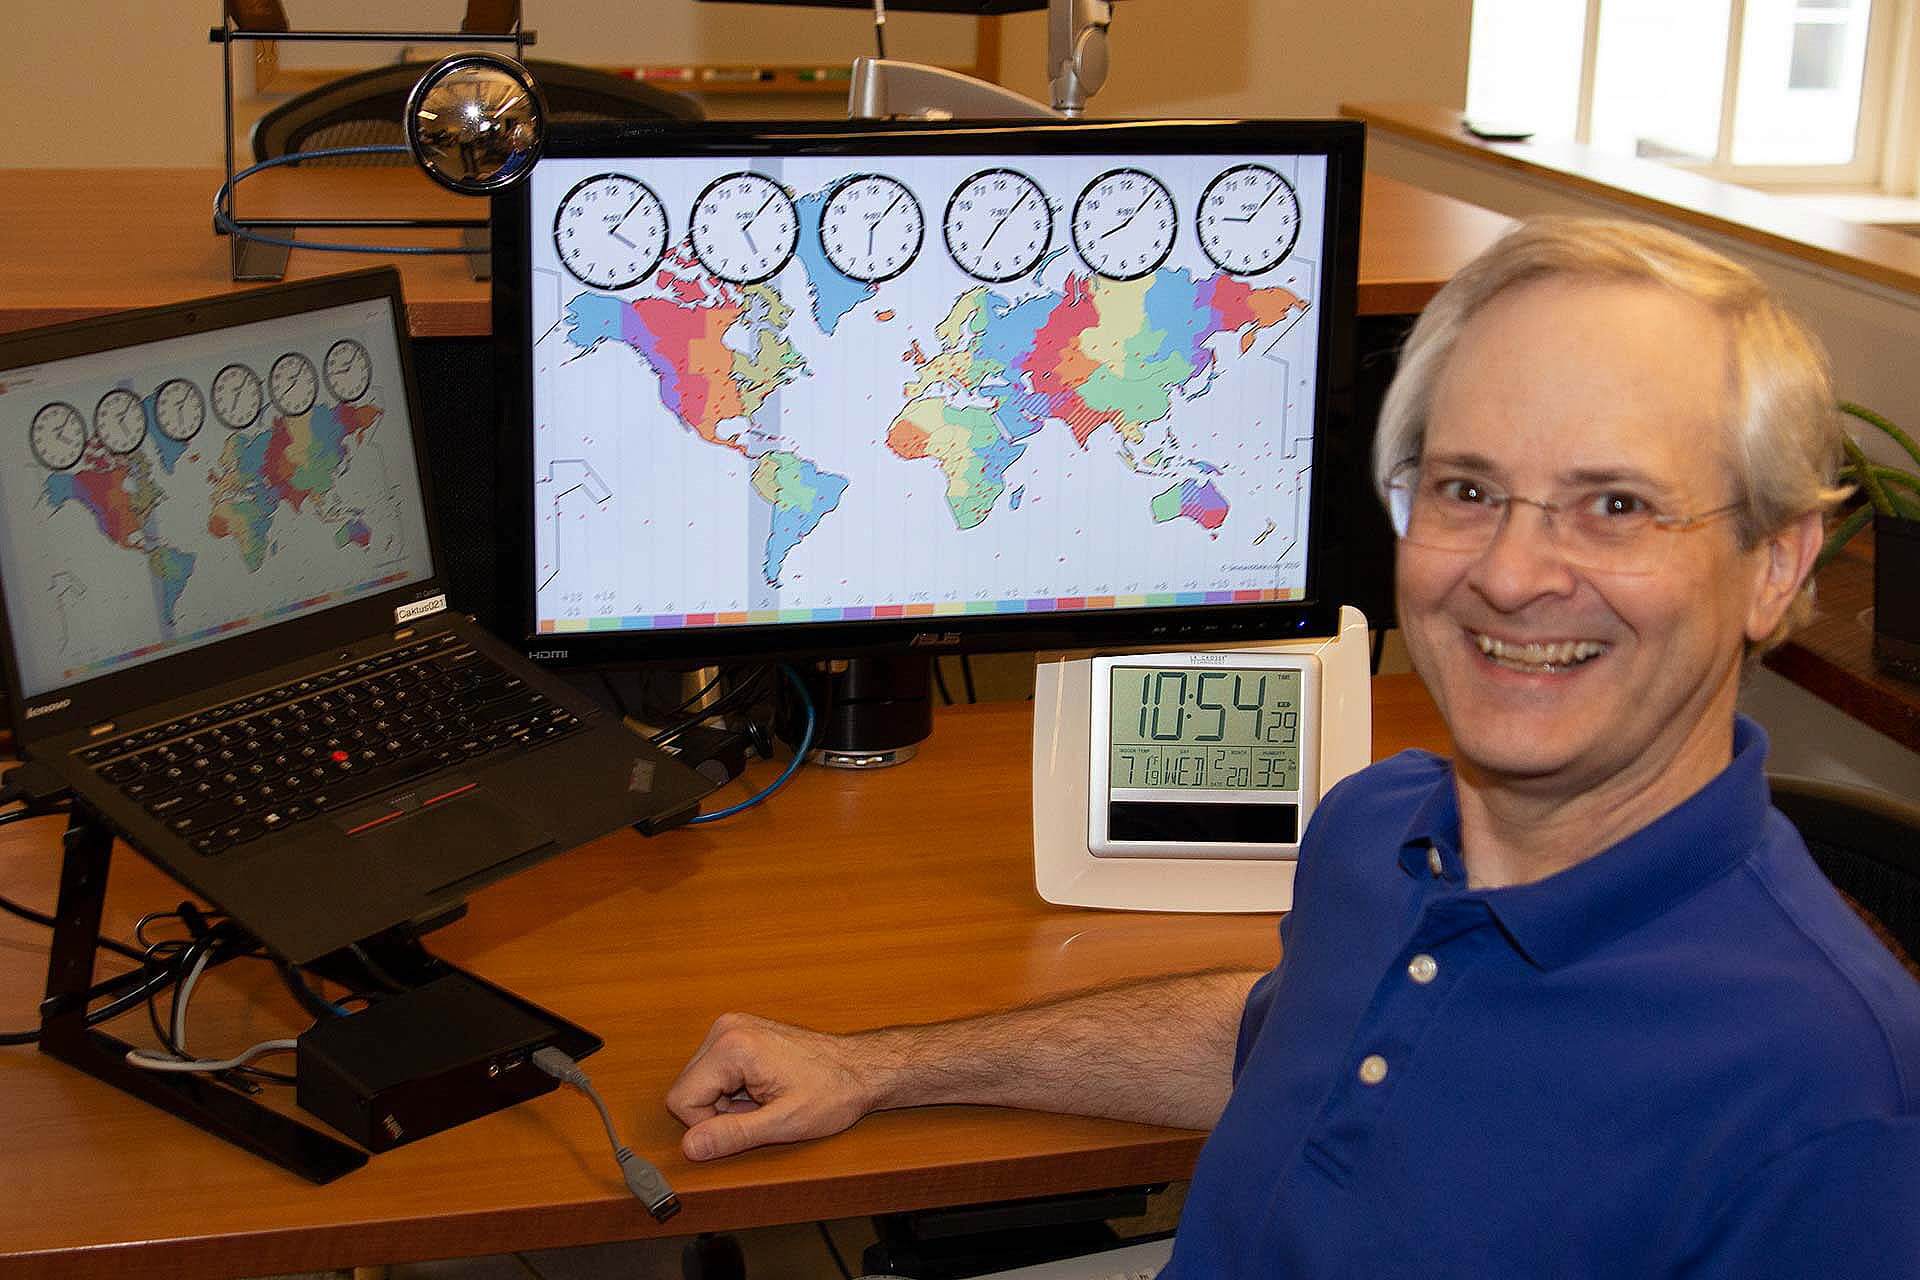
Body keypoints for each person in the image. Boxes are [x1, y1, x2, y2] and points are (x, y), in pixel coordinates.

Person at [667, 217, 1920, 1276]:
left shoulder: (1832, 1103)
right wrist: (877, 1066)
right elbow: (1274, 1039)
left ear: (1775, 565)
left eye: (1617, 505)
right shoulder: (1378, 826)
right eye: (1467, 488)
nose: (1513, 572)